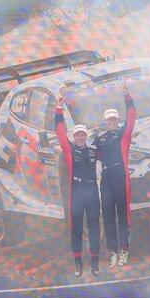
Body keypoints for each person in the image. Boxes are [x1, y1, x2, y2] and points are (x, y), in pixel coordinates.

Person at [55, 95, 101, 277]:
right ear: (73, 137)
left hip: (92, 191)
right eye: (77, 135)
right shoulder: (69, 150)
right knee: (76, 228)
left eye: (83, 135)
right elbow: (59, 131)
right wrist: (58, 109)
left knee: (94, 226)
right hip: (76, 191)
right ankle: (78, 263)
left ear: (86, 137)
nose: (80, 137)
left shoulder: (93, 150)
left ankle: (95, 263)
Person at [95, 85, 136, 267]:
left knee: (123, 215)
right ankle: (113, 251)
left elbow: (132, 115)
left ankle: (124, 249)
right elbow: (91, 157)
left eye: (114, 119)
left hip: (121, 177)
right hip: (106, 179)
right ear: (105, 121)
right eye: (109, 119)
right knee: (108, 216)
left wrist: (127, 95)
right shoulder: (100, 138)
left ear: (117, 120)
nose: (111, 121)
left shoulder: (123, 133)